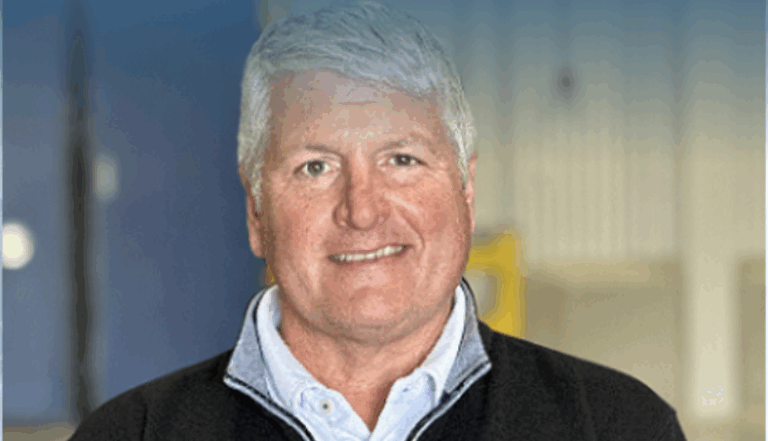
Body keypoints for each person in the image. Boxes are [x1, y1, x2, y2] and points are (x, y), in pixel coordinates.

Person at [70, 2, 687, 440]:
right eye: (315, 167)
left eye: (402, 159)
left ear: (466, 189)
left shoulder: (616, 427)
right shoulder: (131, 434)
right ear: (257, 209)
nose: (362, 210)